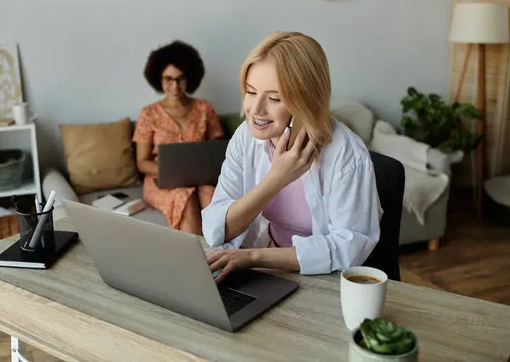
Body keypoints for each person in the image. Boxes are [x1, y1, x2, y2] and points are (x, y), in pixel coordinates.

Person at [201, 32, 382, 283]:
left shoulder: (347, 153)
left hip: (324, 278)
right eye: (251, 92)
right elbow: (217, 228)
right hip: (265, 271)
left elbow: (348, 249)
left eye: (274, 98)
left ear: (306, 101)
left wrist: (255, 257)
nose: (255, 109)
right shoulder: (246, 137)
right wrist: (276, 178)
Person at [133, 40, 224, 234]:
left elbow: (216, 152)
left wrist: (199, 173)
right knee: (184, 197)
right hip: (161, 181)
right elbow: (142, 162)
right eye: (168, 79)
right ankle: (198, 259)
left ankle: (224, 255)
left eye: (180, 79)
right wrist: (174, 173)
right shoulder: (148, 114)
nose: (174, 86)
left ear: (189, 79)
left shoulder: (204, 109)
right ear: (159, 79)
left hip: (200, 179)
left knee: (211, 195)